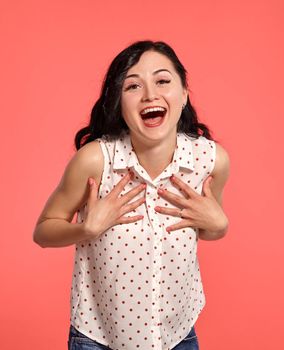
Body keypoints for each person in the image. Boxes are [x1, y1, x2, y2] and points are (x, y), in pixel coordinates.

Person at [33, 40, 230, 350]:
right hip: (98, 338)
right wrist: (86, 229)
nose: (150, 94)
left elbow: (206, 226)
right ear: (118, 103)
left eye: (163, 81)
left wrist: (219, 227)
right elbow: (43, 230)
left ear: (184, 95)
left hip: (176, 337)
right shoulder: (95, 161)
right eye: (133, 86)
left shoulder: (210, 161)